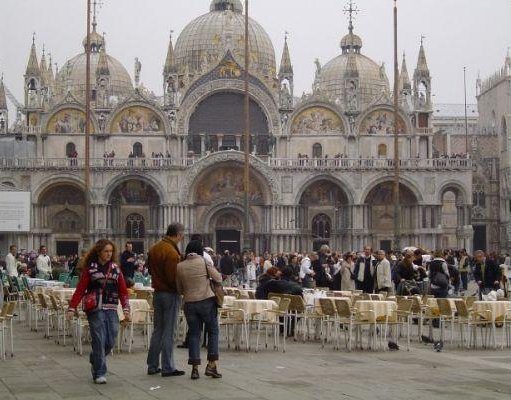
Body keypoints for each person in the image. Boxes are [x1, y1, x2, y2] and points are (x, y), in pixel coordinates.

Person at [66, 239, 130, 384]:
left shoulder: (115, 269)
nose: (109, 254)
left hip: (111, 308)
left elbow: (123, 291)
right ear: (99, 252)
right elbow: (80, 290)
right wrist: (71, 307)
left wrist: (126, 308)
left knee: (111, 338)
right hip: (94, 309)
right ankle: (100, 372)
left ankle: (95, 358)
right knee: (99, 338)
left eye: (111, 251)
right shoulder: (90, 269)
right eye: (106, 251)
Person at [176, 240, 223, 380]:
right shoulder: (203, 262)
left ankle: (195, 369)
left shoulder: (179, 266)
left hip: (189, 303)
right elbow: (218, 278)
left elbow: (179, 289)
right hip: (206, 302)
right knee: (213, 331)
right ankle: (211, 365)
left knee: (194, 335)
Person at [147, 223, 186, 377]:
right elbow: (172, 277)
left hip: (157, 293)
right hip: (170, 294)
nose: (182, 237)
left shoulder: (154, 248)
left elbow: (150, 270)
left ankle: (152, 365)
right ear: (178, 234)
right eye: (182, 234)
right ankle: (168, 367)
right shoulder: (170, 252)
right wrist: (180, 288)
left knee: (158, 330)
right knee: (169, 331)